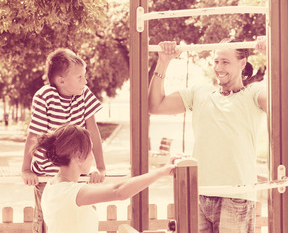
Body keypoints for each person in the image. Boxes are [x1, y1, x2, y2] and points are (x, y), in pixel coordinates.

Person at [148, 36, 267, 233]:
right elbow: (155, 105)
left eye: (226, 62)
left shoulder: (253, 94)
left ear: (242, 63)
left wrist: (272, 56)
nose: (219, 67)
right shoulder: (200, 92)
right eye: (216, 61)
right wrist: (163, 61)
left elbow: (281, 101)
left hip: (236, 195)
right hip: (199, 194)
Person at [21, 48, 106, 233]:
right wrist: (26, 169)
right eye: (80, 77)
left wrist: (99, 167)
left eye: (85, 76)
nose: (85, 81)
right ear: (61, 80)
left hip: (75, 173)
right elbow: (34, 135)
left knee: (82, 215)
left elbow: (93, 131)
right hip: (47, 175)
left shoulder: (84, 94)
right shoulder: (45, 97)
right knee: (47, 220)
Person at [35, 124, 178, 233]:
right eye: (90, 150)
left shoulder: (51, 186)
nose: (92, 157)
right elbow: (119, 191)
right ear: (78, 156)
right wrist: (162, 171)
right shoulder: (73, 193)